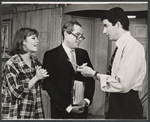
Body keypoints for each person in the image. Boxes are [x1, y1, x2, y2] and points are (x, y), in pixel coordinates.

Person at [77, 7, 146, 119]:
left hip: (126, 106)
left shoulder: (132, 46)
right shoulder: (122, 46)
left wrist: (94, 74)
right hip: (118, 103)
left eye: (106, 26)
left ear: (118, 24)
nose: (104, 31)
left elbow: (122, 84)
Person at [43, 20, 95, 119]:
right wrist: (68, 107)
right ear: (66, 33)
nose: (80, 39)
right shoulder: (51, 55)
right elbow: (50, 85)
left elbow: (90, 79)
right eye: (77, 35)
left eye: (82, 36)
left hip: (81, 109)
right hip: (61, 110)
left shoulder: (83, 54)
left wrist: (87, 100)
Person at [1, 28, 49, 119]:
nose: (37, 41)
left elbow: (42, 85)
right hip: (16, 113)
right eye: (33, 38)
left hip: (34, 111)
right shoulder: (12, 64)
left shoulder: (35, 61)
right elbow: (16, 93)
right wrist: (36, 77)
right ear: (23, 41)